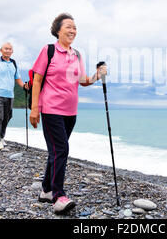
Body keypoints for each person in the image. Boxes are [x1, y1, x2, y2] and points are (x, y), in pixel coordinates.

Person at [29, 13, 107, 214]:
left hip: (70, 111)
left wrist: (97, 76)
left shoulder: (77, 55)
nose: (73, 30)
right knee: (61, 149)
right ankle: (58, 196)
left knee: (56, 151)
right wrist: (34, 109)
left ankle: (46, 190)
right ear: (58, 30)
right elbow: (37, 80)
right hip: (51, 108)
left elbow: (82, 80)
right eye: (68, 27)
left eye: (75, 27)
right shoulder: (49, 51)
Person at [0, 42, 29, 150]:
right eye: (6, 49)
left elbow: (17, 78)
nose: (8, 50)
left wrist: (24, 86)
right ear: (1, 50)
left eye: (10, 49)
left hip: (10, 95)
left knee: (7, 117)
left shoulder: (13, 63)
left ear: (12, 51)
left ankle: (1, 136)